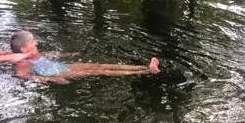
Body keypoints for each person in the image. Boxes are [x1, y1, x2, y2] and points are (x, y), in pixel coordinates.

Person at [9, 30, 160, 83]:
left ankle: (144, 66)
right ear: (23, 49)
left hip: (66, 67)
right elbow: (23, 75)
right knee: (100, 71)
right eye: (32, 41)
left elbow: (50, 55)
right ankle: (148, 71)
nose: (36, 42)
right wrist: (52, 79)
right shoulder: (23, 62)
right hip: (61, 72)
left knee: (101, 66)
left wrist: (69, 54)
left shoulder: (36, 54)